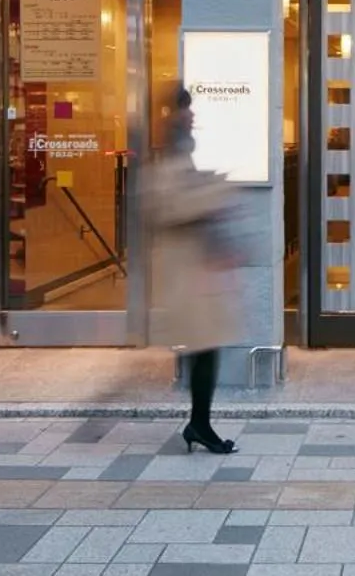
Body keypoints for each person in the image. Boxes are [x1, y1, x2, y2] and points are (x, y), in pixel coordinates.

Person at [144, 85, 243, 454]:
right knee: (204, 345)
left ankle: (199, 423)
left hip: (197, 270)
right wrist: (215, 192)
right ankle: (199, 425)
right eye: (184, 109)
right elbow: (173, 207)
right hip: (186, 272)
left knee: (205, 346)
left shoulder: (179, 156)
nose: (191, 115)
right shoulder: (166, 161)